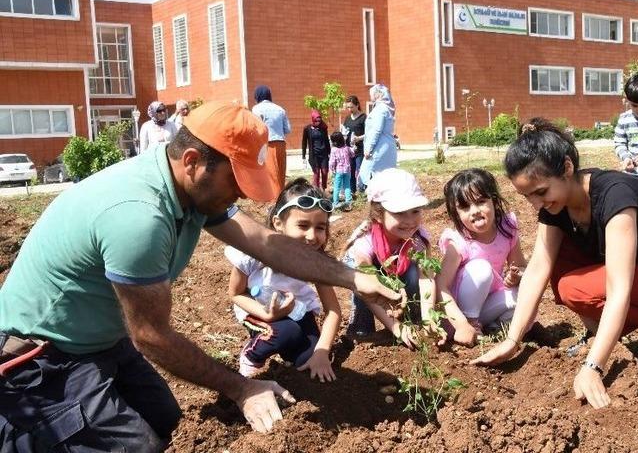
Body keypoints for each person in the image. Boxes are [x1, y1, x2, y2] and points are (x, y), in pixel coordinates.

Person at [0, 102, 400, 451]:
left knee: (172, 429)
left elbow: (268, 244)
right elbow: (151, 336)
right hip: (42, 360)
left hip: (102, 341)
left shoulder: (190, 190)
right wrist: (242, 387)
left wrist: (353, 278)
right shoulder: (139, 218)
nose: (241, 194)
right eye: (235, 181)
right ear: (192, 161)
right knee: (141, 448)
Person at [472, 118, 638, 411]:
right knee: (559, 265)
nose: (536, 204)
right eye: (527, 196)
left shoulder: (614, 195)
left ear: (567, 168)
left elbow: (619, 289)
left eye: (541, 192)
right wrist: (512, 340)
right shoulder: (557, 206)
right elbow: (537, 269)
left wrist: (593, 366)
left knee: (576, 288)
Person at [227, 178, 341, 381]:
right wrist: (267, 314)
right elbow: (235, 293)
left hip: (298, 312)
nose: (312, 236)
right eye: (303, 225)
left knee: (309, 359)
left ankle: (288, 349)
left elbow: (333, 311)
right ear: (278, 224)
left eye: (320, 227)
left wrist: (322, 352)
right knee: (287, 331)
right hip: (259, 310)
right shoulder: (253, 254)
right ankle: (252, 355)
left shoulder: (316, 263)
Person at [343, 168, 436, 348]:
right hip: (366, 275)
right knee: (360, 285)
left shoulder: (417, 239)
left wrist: (429, 318)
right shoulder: (366, 240)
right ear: (378, 214)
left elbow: (427, 278)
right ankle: (361, 331)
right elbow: (368, 285)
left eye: (415, 211)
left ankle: (414, 320)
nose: (410, 220)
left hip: (396, 270)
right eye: (400, 213)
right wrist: (395, 327)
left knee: (413, 274)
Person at [436, 168, 527, 346]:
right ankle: (469, 326)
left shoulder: (506, 228)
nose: (474, 211)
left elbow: (521, 266)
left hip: (488, 304)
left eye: (480, 202)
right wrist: (461, 324)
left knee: (525, 296)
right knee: (481, 269)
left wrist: (516, 276)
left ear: (494, 200)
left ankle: (491, 328)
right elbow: (441, 285)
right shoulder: (458, 242)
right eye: (465, 207)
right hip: (458, 314)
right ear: (456, 213)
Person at [357, 84, 397, 187]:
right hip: (386, 145)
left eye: (372, 93)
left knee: (369, 175)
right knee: (384, 177)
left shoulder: (380, 109)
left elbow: (376, 130)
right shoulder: (385, 108)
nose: (370, 96)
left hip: (379, 147)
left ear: (378, 94)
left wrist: (369, 149)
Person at [252, 85, 291, 190]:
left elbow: (256, 129)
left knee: (270, 175)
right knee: (280, 174)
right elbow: (288, 129)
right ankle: (281, 196)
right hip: (281, 144)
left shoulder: (256, 109)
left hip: (267, 145)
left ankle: (273, 198)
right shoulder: (280, 109)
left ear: (257, 96)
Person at [341, 95, 366, 193]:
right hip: (349, 150)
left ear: (357, 105)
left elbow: (369, 133)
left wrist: (359, 138)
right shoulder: (347, 118)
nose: (349, 109)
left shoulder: (363, 117)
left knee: (360, 169)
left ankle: (362, 190)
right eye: (348, 107)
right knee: (350, 170)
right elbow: (344, 130)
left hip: (360, 149)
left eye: (351, 107)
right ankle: (352, 190)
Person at [302, 110, 330, 190]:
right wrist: (303, 155)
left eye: (319, 121)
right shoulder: (307, 129)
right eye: (316, 121)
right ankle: (316, 190)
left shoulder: (323, 128)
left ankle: (324, 189)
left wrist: (330, 152)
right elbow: (304, 142)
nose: (318, 122)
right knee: (316, 173)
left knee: (324, 172)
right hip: (314, 155)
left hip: (323, 154)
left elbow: (326, 141)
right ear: (313, 119)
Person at [328, 131, 354, 211]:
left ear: (333, 141)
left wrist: (331, 169)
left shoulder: (334, 150)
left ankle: (335, 203)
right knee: (347, 186)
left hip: (338, 171)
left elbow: (332, 162)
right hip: (347, 170)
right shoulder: (346, 148)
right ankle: (348, 201)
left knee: (336, 187)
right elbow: (352, 154)